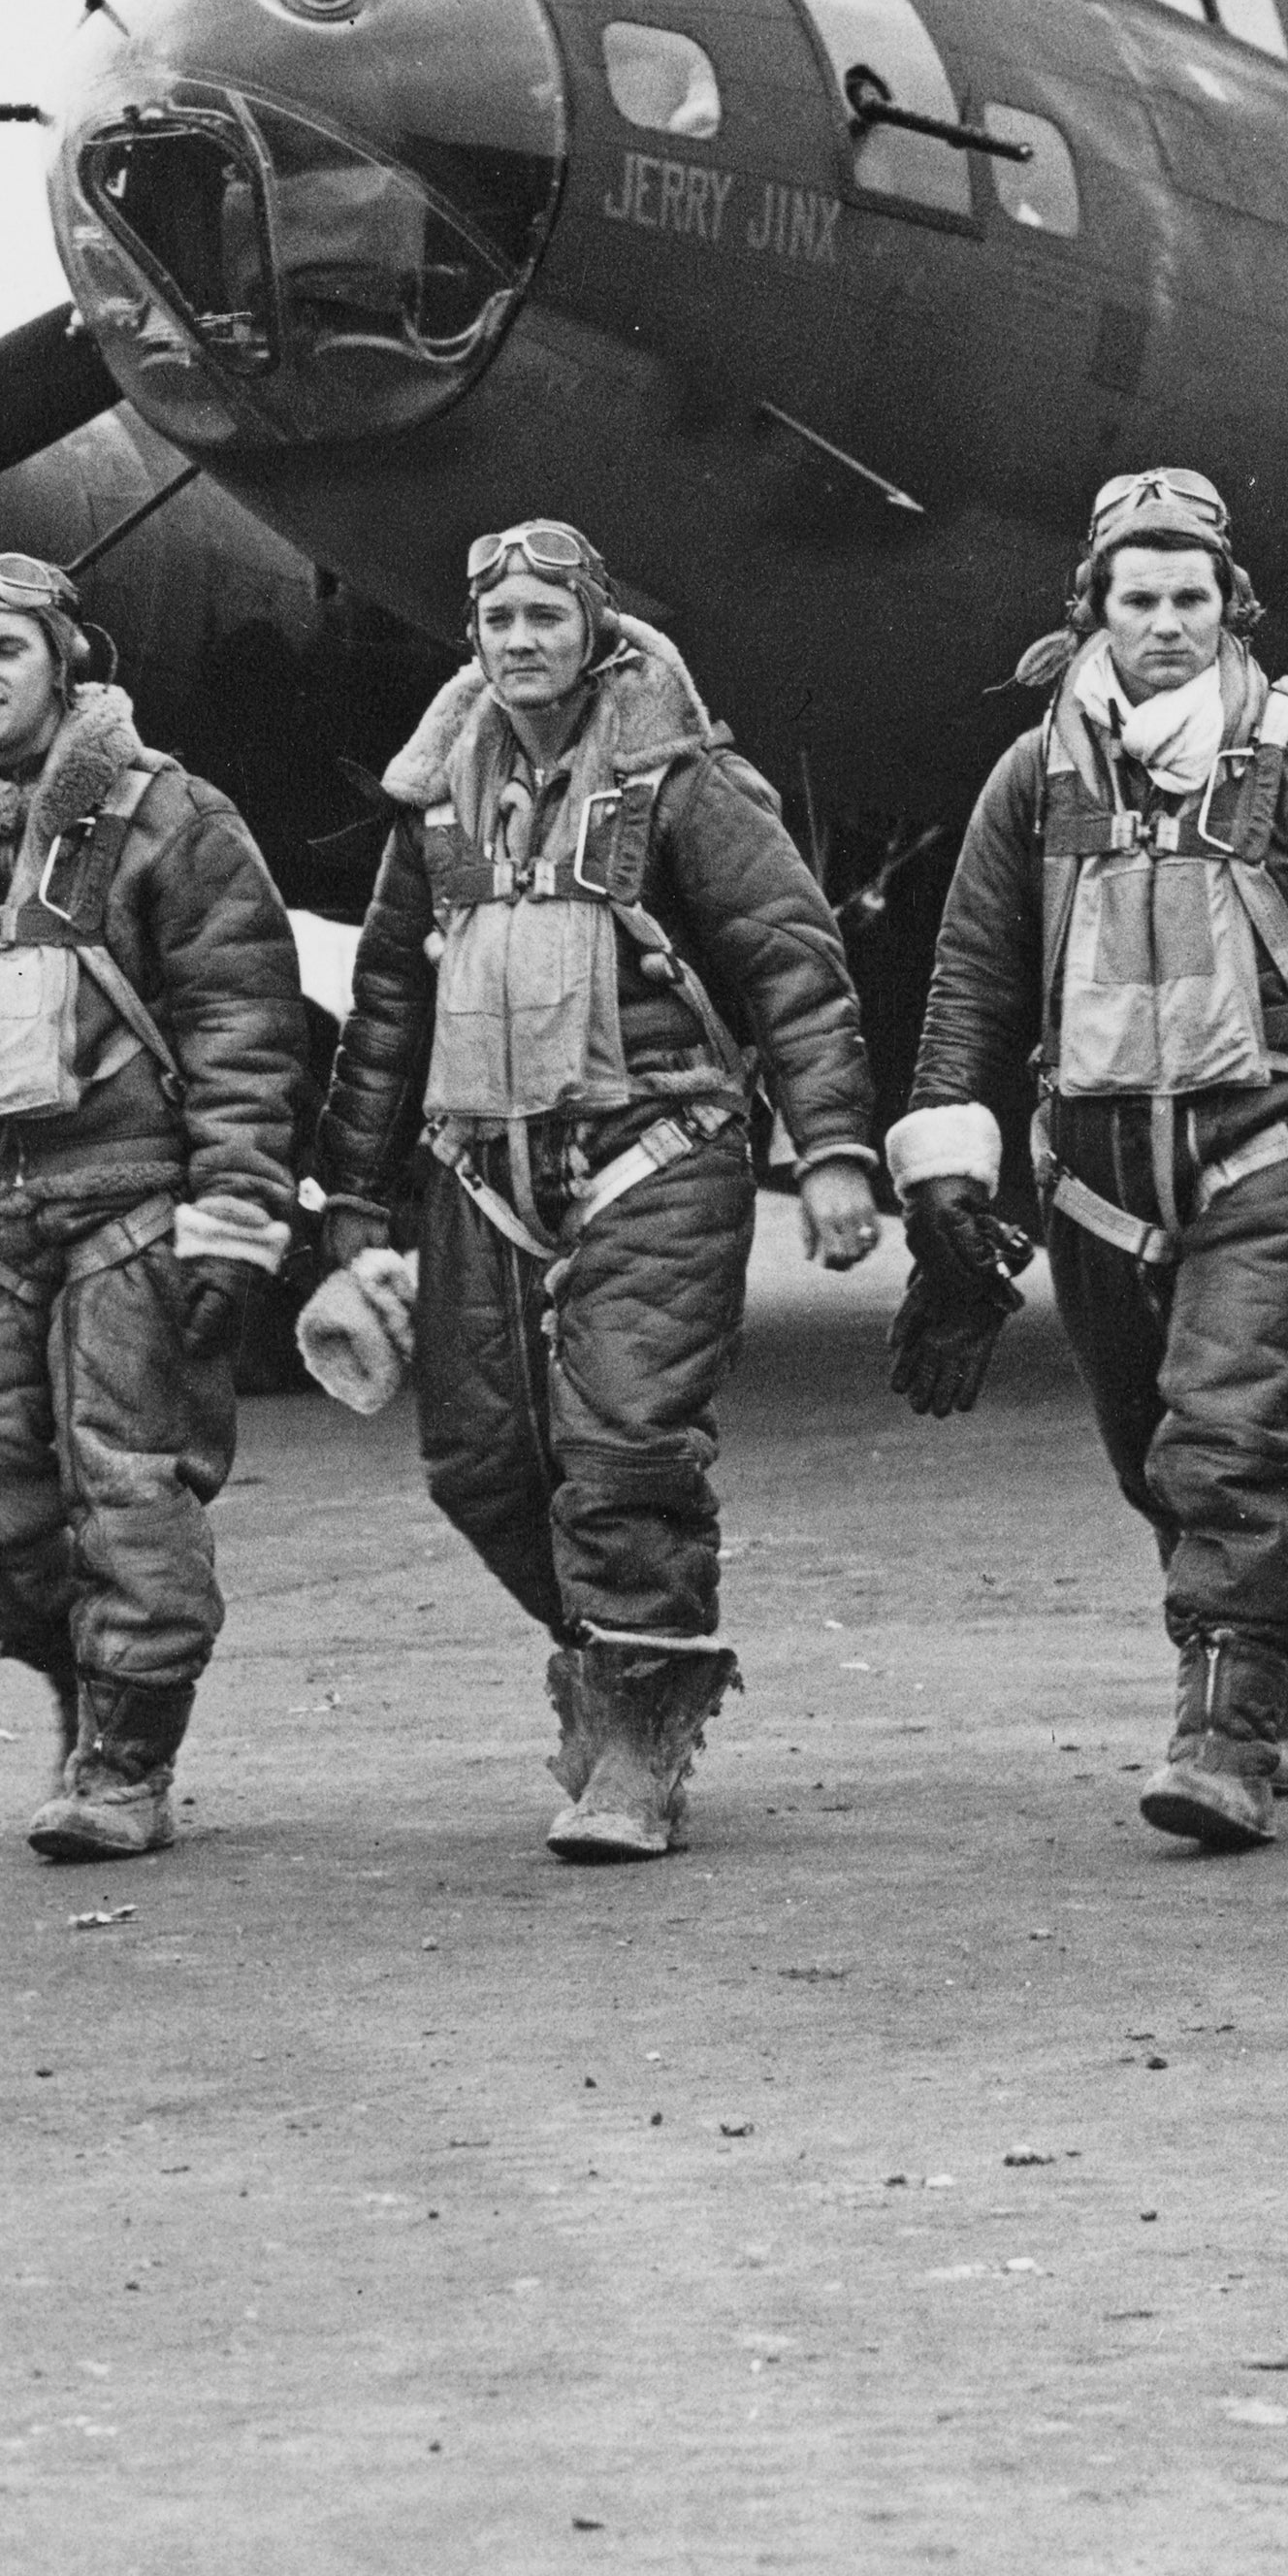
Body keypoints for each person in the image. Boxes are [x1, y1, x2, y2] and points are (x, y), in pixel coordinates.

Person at [889, 473, 1288, 1852]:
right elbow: (971, 975)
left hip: (1274, 1146)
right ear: (1094, 611)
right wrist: (944, 1164)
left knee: (1230, 1435)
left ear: (1229, 606)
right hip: (1094, 1169)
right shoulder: (1033, 776)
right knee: (1154, 1458)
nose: (1166, 622)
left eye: (1190, 598)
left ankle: (1222, 1740)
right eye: (1138, 599)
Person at [313, 521, 884, 1862]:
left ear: (594, 632)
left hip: (658, 1148)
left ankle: (638, 1738)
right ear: (473, 636)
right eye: (498, 619)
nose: (521, 642)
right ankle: (615, 1653)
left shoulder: (684, 784)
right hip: (478, 1168)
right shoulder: (435, 800)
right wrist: (347, 1193)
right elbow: (389, 998)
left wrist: (839, 1149)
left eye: (545, 621)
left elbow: (790, 962)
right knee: (477, 1465)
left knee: (624, 1451)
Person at [0, 554, 309, 1860]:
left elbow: (241, 1023)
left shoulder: (170, 818)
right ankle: (86, 1676)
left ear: (65, 664)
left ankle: (125, 1760)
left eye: (6, 650)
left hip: (129, 1202)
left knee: (130, 1487)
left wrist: (238, 1211)